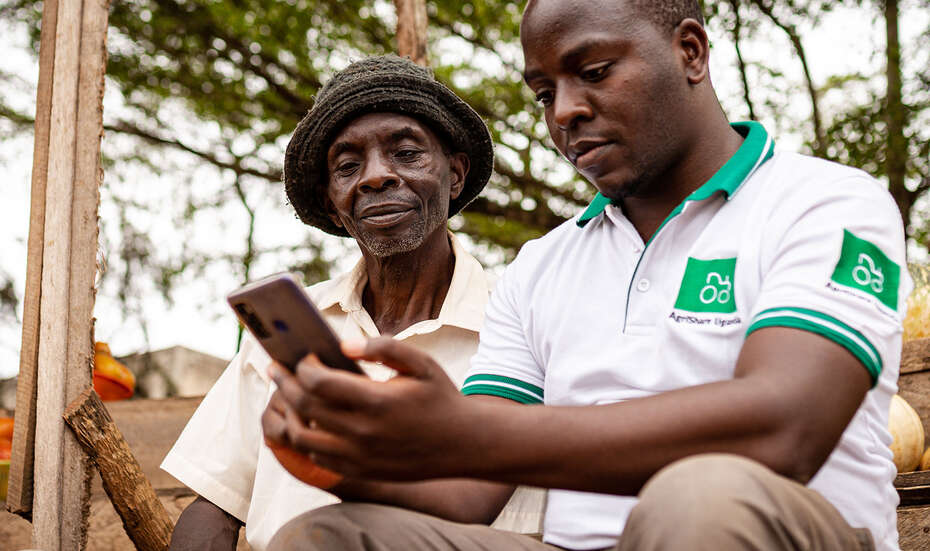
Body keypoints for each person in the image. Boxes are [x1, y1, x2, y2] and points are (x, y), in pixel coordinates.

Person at [261, 1, 912, 550]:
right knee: (326, 536)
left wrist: (464, 431)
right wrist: (346, 456)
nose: (564, 111)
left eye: (594, 72)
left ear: (690, 52)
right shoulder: (544, 266)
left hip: (774, 529)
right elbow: (467, 489)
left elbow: (784, 426)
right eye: (544, 93)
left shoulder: (825, 203)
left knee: (699, 495)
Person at [161, 55, 545, 551]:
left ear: (454, 175)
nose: (375, 177)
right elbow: (217, 502)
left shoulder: (518, 319)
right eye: (347, 166)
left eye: (406, 153)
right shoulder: (286, 330)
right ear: (333, 206)